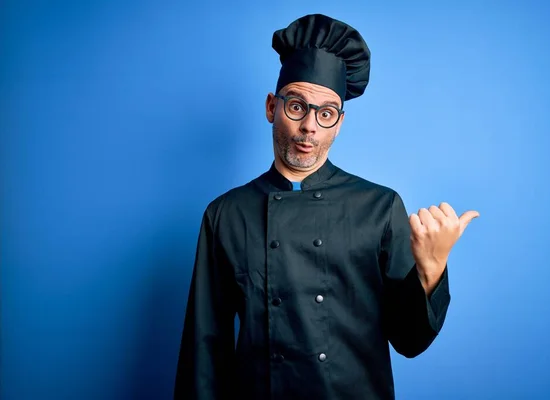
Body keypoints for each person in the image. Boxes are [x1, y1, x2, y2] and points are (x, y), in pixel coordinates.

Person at [174, 13, 478, 400]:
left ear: (339, 122)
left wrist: (431, 270)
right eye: (297, 107)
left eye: (326, 113)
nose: (309, 127)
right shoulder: (226, 214)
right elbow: (204, 349)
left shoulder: (380, 207)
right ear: (272, 107)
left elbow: (410, 341)